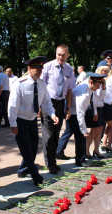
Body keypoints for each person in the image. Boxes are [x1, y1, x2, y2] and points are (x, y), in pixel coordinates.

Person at [8, 56, 59, 186]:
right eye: (37, 67)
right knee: (26, 149)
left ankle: (23, 170)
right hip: (21, 121)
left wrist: (53, 114)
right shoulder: (19, 83)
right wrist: (13, 124)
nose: (40, 70)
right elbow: (13, 105)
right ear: (29, 68)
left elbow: (47, 102)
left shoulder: (42, 84)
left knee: (34, 148)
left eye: (41, 67)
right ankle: (36, 177)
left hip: (32, 121)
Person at [41, 44, 75, 174]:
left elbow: (70, 90)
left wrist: (68, 108)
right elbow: (41, 87)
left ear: (67, 55)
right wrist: (39, 106)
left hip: (61, 105)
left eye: (63, 55)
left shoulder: (69, 70)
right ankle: (49, 163)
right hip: (48, 103)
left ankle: (53, 160)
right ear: (56, 54)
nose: (61, 57)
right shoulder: (48, 67)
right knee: (48, 135)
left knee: (56, 134)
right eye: (58, 54)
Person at [68, 72, 105, 166]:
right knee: (81, 138)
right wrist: (84, 130)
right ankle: (80, 160)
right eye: (97, 85)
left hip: (77, 114)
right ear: (91, 82)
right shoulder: (83, 93)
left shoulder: (88, 87)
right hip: (74, 115)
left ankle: (81, 159)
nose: (98, 88)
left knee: (80, 138)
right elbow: (80, 113)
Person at [85, 67, 107, 159]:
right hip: (94, 108)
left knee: (100, 129)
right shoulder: (93, 81)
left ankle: (96, 149)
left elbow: (102, 96)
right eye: (103, 71)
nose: (105, 73)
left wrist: (103, 88)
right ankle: (86, 150)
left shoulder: (100, 82)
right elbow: (92, 99)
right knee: (94, 130)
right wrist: (95, 113)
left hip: (100, 107)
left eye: (106, 72)